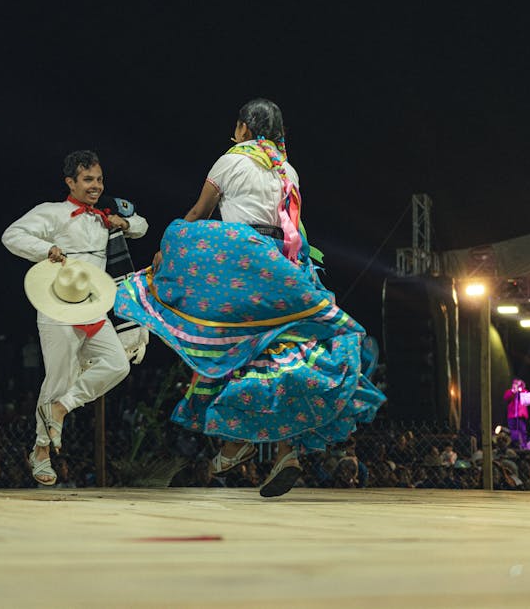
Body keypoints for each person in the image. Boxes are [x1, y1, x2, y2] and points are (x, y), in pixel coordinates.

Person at [113, 98, 386, 497]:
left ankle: (235, 444)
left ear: (243, 127)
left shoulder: (231, 161)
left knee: (230, 352)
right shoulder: (286, 169)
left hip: (244, 264)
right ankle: (284, 453)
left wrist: (169, 248)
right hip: (284, 266)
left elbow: (200, 212)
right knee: (284, 354)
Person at [1, 150, 148, 486]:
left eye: (98, 179)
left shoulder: (106, 212)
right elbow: (11, 236)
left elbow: (141, 225)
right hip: (58, 308)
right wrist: (45, 250)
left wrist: (122, 223)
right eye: (87, 180)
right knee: (57, 379)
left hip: (93, 307)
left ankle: (62, 408)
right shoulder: (52, 213)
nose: (95, 186)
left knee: (117, 365)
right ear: (70, 182)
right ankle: (40, 452)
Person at [503, 378, 529, 448]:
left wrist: (520, 390)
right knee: (513, 431)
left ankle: (524, 445)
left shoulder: (523, 391)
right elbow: (506, 397)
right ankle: (516, 446)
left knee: (523, 431)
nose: (515, 385)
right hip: (512, 415)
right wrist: (513, 392)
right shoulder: (509, 392)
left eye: (517, 384)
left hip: (521, 415)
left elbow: (526, 398)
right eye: (514, 383)